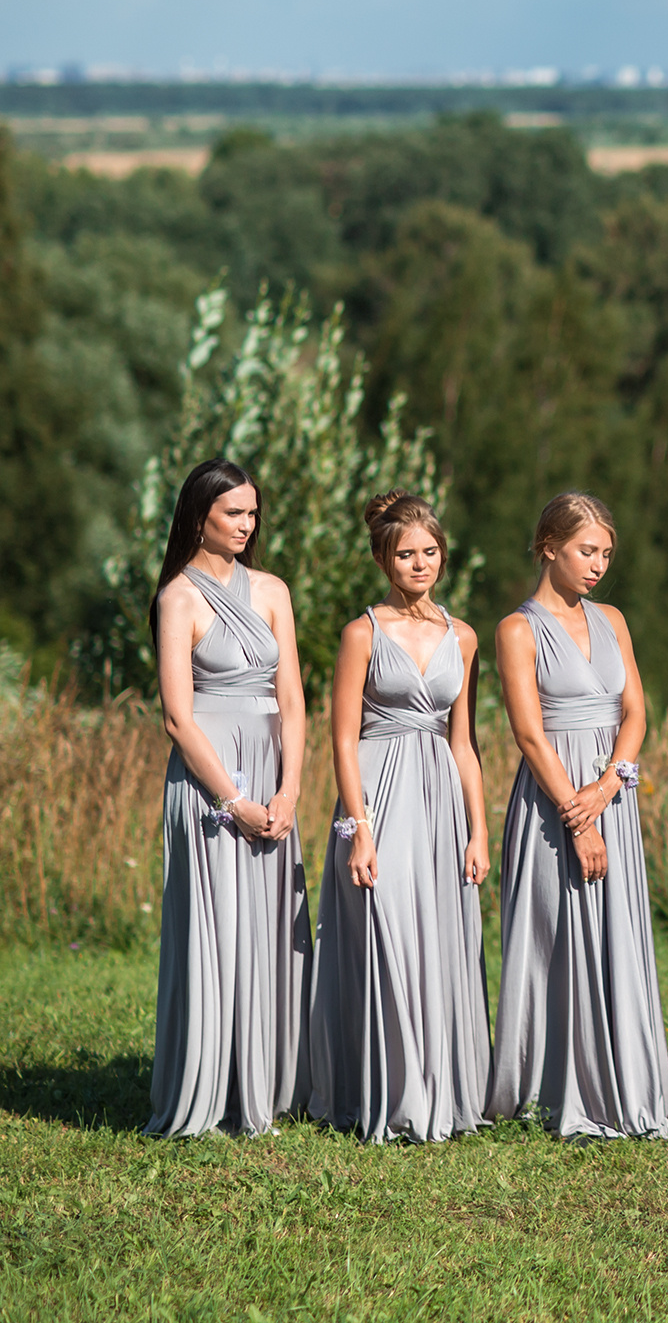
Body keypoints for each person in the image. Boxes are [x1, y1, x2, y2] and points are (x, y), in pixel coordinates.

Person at [486, 492, 668, 1139]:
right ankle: (551, 1090)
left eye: (605, 554)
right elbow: (530, 734)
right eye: (585, 551)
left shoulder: (613, 620)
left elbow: (636, 713)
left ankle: (623, 1082)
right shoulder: (517, 629)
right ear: (549, 547)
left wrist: (610, 787)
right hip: (552, 803)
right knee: (554, 941)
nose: (597, 565)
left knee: (615, 933)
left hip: (610, 796)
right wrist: (579, 813)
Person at [307, 492, 492, 1143]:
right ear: (384, 559)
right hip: (379, 794)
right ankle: (386, 1091)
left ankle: (440, 1088)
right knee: (384, 938)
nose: (420, 564)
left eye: (430, 552)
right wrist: (358, 827)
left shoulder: (463, 636)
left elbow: (463, 743)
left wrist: (479, 830)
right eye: (406, 554)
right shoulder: (362, 633)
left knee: (437, 942)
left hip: (439, 798)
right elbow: (341, 739)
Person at [145, 457, 313, 1138]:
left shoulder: (272, 590)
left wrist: (291, 787)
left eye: (252, 513)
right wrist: (234, 799)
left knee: (270, 933)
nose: (247, 524)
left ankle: (264, 1089)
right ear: (198, 516)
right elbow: (178, 718)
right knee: (214, 933)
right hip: (212, 783)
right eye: (233, 513)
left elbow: (294, 699)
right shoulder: (177, 599)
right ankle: (206, 1094)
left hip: (274, 777)